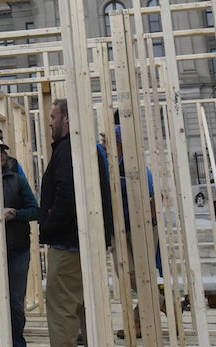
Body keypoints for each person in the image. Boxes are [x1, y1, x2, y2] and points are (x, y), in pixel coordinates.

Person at [38, 98, 113, 347]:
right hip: (85, 244)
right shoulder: (86, 148)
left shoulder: (69, 148)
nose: (50, 123)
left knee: (61, 310)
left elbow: (67, 196)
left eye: (53, 117)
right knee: (87, 309)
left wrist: (48, 227)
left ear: (67, 119)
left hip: (69, 246)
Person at [113, 120, 164, 340]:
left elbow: (154, 199)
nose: (106, 145)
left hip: (140, 227)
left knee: (140, 275)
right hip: (121, 228)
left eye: (110, 141)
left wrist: (148, 223)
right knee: (129, 274)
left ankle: (139, 322)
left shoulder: (138, 168)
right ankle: (164, 304)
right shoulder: (112, 167)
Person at [0, 142, 40, 347]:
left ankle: (17, 343)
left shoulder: (17, 180)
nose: (2, 154)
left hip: (17, 249)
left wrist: (14, 214)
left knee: (15, 302)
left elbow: (35, 210)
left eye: (3, 150)